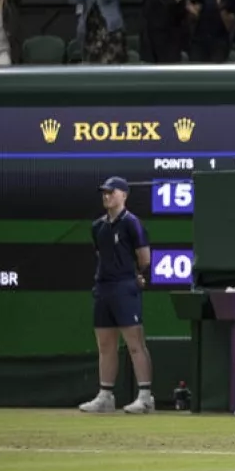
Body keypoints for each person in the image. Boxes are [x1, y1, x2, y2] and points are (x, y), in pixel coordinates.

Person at [79, 176, 155, 414]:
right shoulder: (97, 226)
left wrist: (136, 276)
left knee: (135, 344)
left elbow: (144, 259)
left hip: (125, 287)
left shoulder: (132, 223)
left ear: (124, 195)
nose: (106, 196)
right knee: (105, 345)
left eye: (111, 192)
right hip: (103, 288)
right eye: (104, 192)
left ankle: (145, 396)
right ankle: (105, 395)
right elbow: (101, 255)